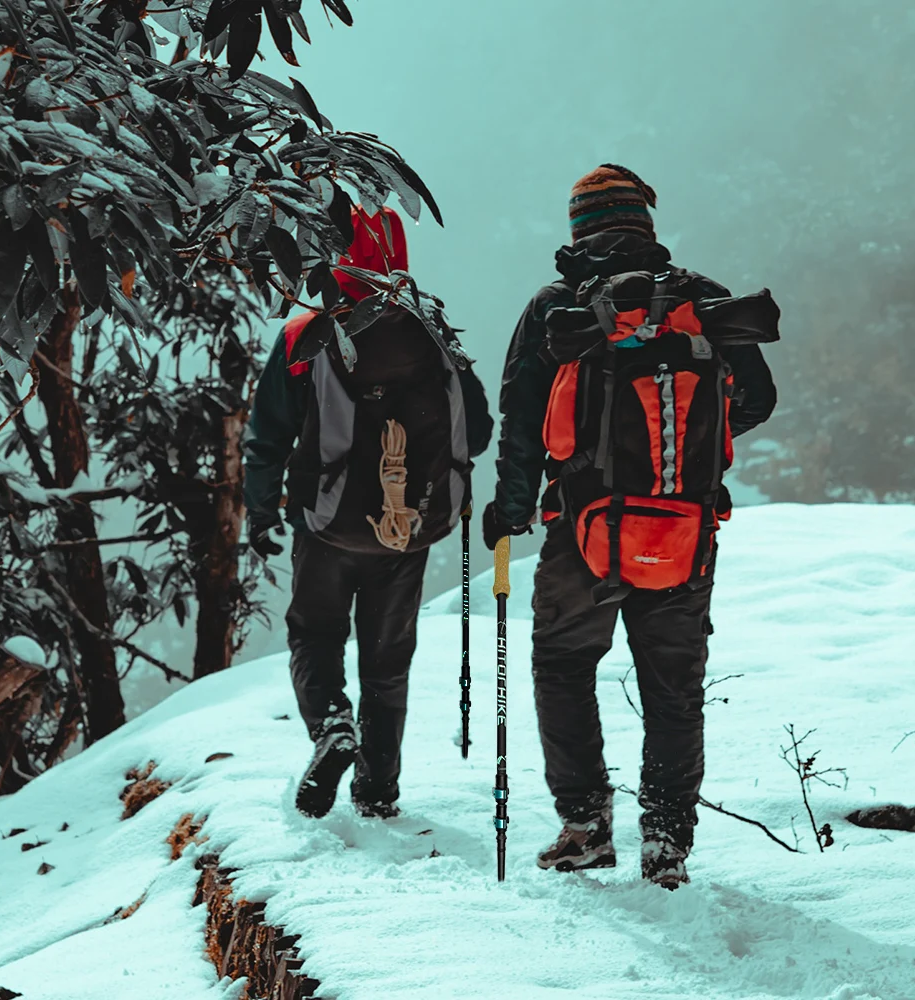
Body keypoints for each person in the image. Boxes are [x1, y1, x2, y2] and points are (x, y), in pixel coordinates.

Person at [483, 164, 776, 887]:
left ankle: (584, 825)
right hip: (684, 526)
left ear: (579, 228)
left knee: (563, 666)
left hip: (582, 526)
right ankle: (667, 841)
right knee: (673, 685)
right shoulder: (701, 299)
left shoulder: (559, 306)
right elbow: (760, 399)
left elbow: (520, 418)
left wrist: (513, 505)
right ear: (645, 222)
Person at [244, 206, 493, 820]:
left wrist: (260, 513)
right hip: (408, 531)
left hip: (326, 526)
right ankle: (378, 792)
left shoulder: (308, 332)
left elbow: (267, 435)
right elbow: (479, 429)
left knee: (315, 635)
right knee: (388, 659)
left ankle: (332, 728)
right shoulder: (430, 327)